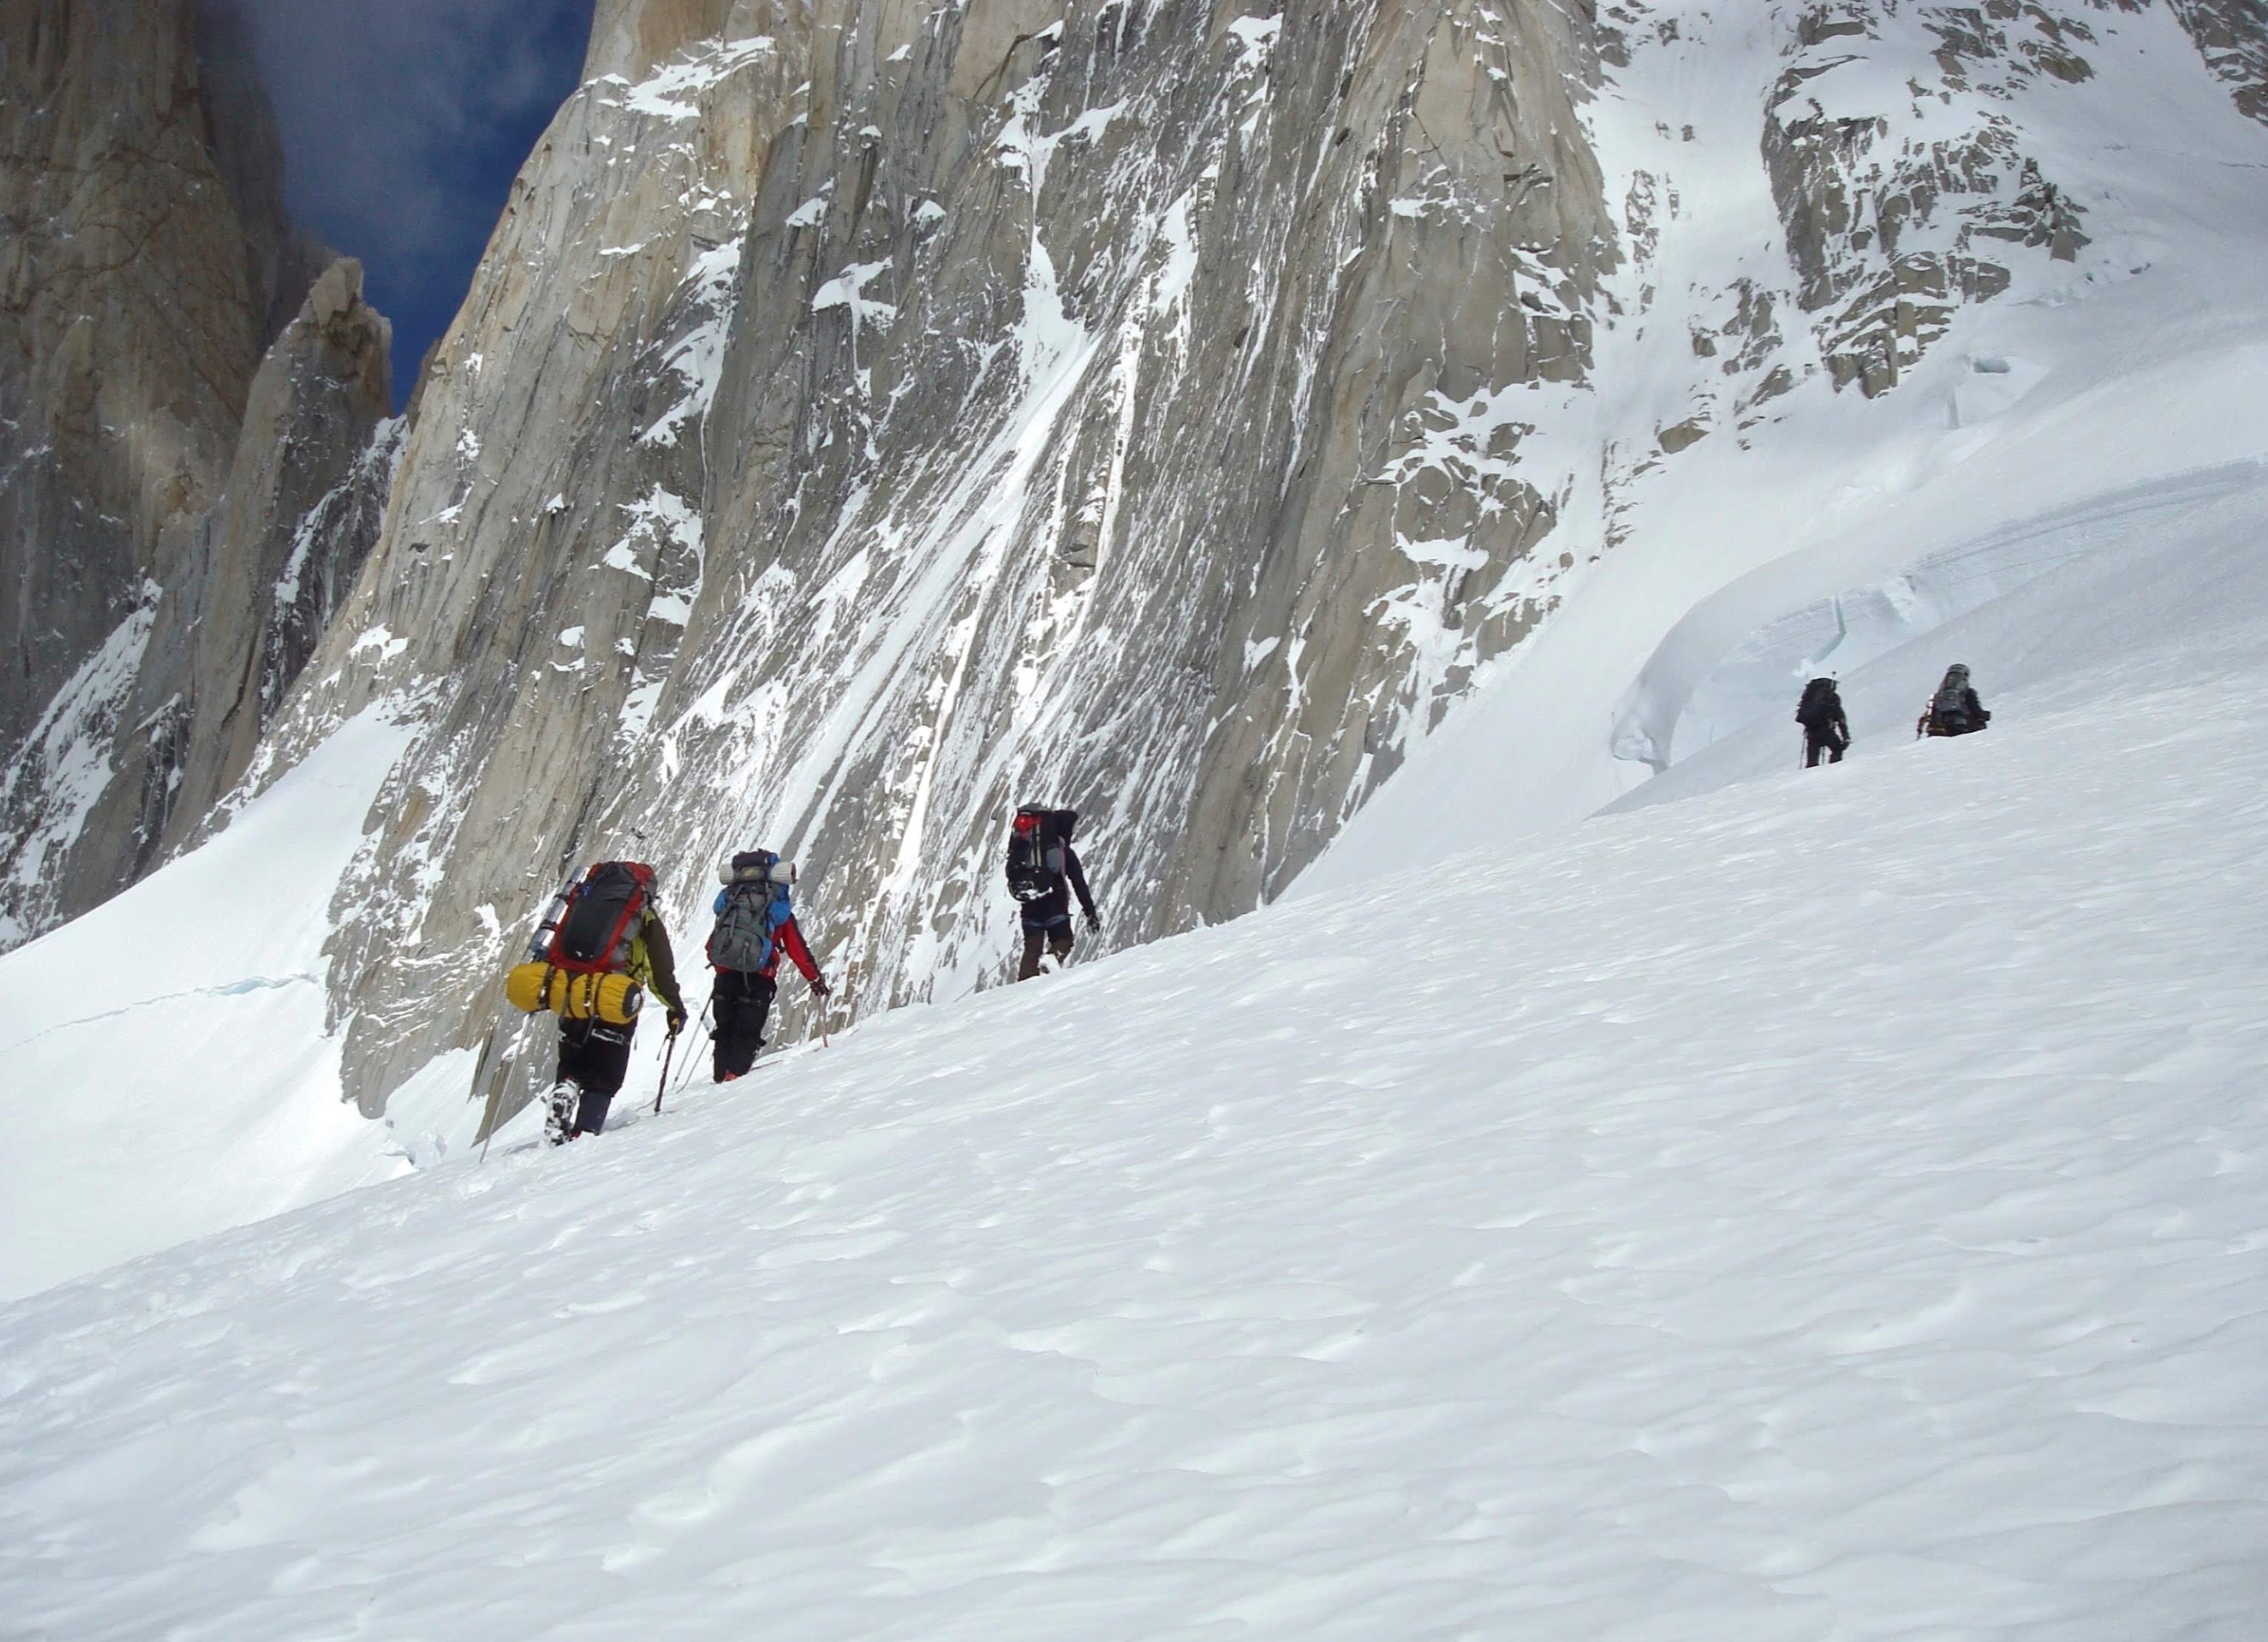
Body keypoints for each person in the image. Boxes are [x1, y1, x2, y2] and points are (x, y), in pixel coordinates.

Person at [542, 862, 686, 1145]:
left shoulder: (583, 904)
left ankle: (566, 1087)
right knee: (605, 1076)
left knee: (573, 1059)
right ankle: (584, 1133)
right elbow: (659, 971)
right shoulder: (644, 920)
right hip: (615, 1000)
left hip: (572, 991)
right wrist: (674, 1007)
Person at [707, 849, 829, 1082]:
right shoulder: (775, 908)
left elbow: (713, 942)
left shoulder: (732, 901)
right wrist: (815, 980)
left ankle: (719, 1079)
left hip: (725, 976)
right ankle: (733, 1081)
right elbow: (797, 949)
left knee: (725, 1030)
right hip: (759, 977)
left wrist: (722, 966)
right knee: (747, 1033)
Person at [1005, 806, 1098, 981]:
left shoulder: (1025, 847)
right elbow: (1079, 883)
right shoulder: (1064, 852)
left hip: (1030, 902)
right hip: (1055, 904)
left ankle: (1023, 986)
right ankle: (1051, 960)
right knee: (1063, 940)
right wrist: (1090, 911)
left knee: (1032, 948)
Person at [1919, 663, 1991, 738]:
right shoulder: (1968, 691)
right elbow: (1975, 708)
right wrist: (1984, 716)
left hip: (1941, 726)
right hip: (1963, 724)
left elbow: (1932, 711)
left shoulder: (1939, 695)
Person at [1796, 676, 1851, 767]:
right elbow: (1841, 720)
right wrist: (1846, 737)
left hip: (1811, 731)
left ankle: (1809, 778)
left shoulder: (1810, 698)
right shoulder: (1832, 699)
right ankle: (1833, 770)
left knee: (1812, 761)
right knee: (1837, 749)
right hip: (1826, 731)